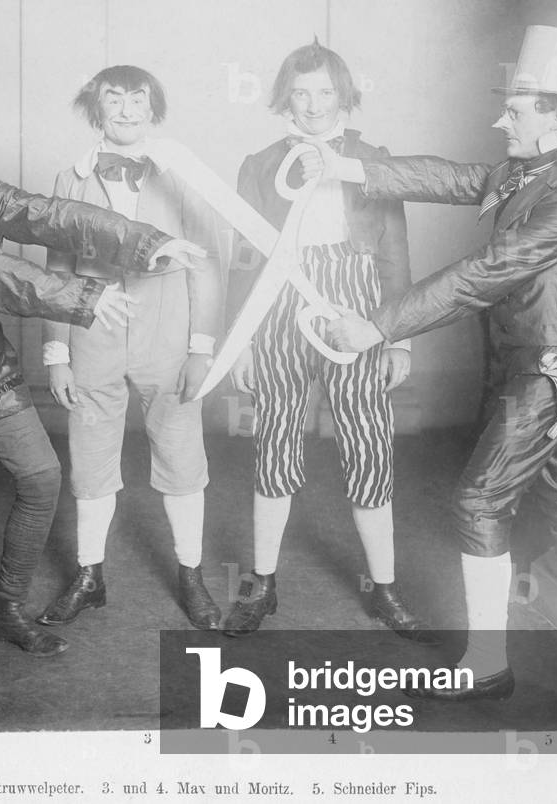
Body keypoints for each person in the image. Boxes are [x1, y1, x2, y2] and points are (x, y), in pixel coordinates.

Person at [324, 26, 557, 698]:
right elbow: (452, 177)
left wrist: (374, 325)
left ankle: (485, 666)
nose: (498, 120)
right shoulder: (525, 172)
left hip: (551, 370)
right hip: (552, 365)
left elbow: (486, 271)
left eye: (513, 110)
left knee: (478, 501)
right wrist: (351, 168)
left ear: (556, 117)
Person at [0, 98, 206, 678]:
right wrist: (83, 297)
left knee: (43, 477)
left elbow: (55, 215)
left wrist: (146, 242)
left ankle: (5, 607)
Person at [221, 41, 437, 643]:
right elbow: (243, 260)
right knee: (275, 440)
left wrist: (399, 337)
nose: (313, 105)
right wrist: (239, 341)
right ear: (284, 95)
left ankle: (385, 589)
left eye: (324, 92)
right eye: (301, 92)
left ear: (343, 94)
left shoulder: (372, 158)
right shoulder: (259, 163)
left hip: (357, 301)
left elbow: (394, 247)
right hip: (280, 301)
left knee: (369, 443)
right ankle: (262, 584)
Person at [36, 66, 223, 631]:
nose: (125, 110)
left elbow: (206, 265)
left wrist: (201, 348)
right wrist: (57, 353)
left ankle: (191, 575)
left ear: (153, 107)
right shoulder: (70, 179)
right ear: (96, 110)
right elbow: (58, 267)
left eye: (136, 99)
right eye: (112, 100)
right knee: (90, 463)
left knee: (182, 456)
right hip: (93, 338)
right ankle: (89, 576)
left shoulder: (181, 175)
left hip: (167, 336)